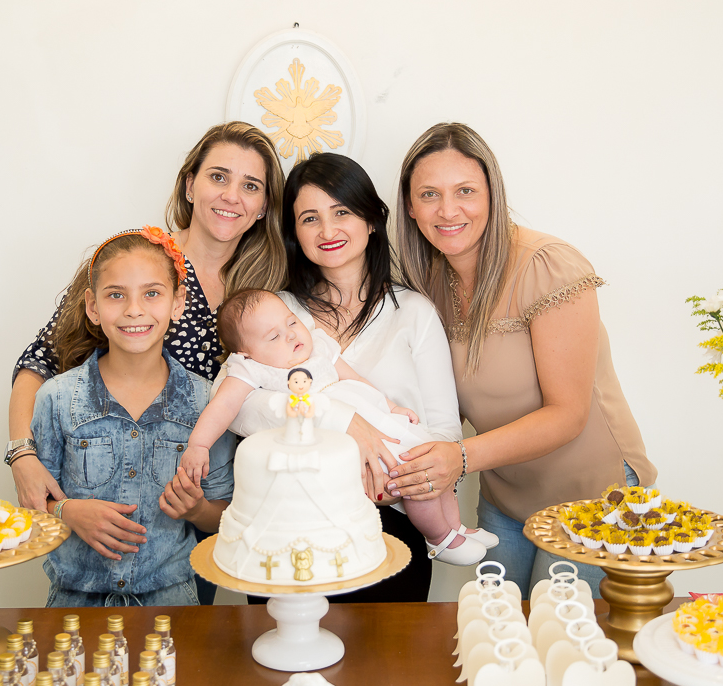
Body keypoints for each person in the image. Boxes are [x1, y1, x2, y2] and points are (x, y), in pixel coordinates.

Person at [7, 122, 287, 604]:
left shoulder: (264, 283)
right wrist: (23, 455)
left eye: (250, 186)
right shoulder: (140, 258)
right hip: (103, 500)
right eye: (218, 177)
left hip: (200, 507)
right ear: (189, 184)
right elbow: (40, 359)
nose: (232, 196)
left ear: (263, 206)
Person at [388, 122, 658, 598]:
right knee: (498, 634)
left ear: (493, 194)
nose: (448, 210)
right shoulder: (425, 285)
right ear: (410, 207)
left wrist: (460, 458)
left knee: (563, 645)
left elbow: (567, 414)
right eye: (429, 194)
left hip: (593, 496)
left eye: (465, 191)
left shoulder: (547, 265)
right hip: (505, 494)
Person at [216, 152, 477, 600]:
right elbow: (237, 406)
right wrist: (342, 423)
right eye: (309, 218)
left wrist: (389, 477)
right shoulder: (275, 313)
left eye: (342, 212)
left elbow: (443, 435)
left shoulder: (413, 313)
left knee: (386, 666)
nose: (327, 230)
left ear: (372, 219)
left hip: (390, 524)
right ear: (294, 233)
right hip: (289, 528)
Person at [184, 288, 492, 565]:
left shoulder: (319, 346)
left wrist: (392, 407)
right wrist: (199, 444)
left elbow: (355, 379)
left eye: (291, 322)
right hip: (337, 451)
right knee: (409, 479)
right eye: (274, 336)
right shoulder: (253, 370)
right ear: (246, 354)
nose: (291, 335)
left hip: (377, 422)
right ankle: (440, 538)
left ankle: (456, 528)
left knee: (429, 461)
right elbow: (224, 406)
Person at [30, 226, 235, 607]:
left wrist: (197, 510)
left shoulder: (208, 401)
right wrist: (67, 511)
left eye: (152, 294)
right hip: (74, 605)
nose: (134, 310)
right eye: (116, 295)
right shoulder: (56, 397)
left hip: (175, 604)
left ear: (178, 303)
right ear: (93, 306)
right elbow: (32, 505)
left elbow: (227, 515)